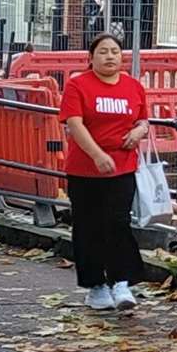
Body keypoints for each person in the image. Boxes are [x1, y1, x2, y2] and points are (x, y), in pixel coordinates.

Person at [59, 33, 150, 312]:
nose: (110, 56)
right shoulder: (78, 86)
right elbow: (74, 123)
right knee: (88, 226)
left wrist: (139, 131)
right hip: (85, 169)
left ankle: (122, 281)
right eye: (103, 52)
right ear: (90, 58)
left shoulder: (133, 86)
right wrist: (97, 155)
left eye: (114, 51)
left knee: (118, 222)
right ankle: (95, 285)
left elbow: (143, 118)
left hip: (122, 166)